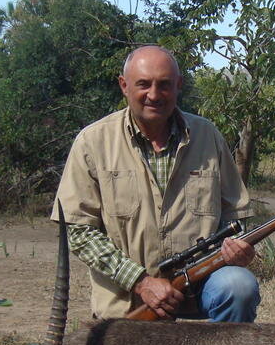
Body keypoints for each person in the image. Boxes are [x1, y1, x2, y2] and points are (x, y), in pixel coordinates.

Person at [52, 45, 260, 321]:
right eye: (143, 84)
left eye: (164, 85)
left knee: (239, 285)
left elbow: (234, 214)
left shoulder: (207, 136)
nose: (154, 95)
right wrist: (141, 281)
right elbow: (79, 231)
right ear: (124, 86)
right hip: (127, 298)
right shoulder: (92, 142)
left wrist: (236, 247)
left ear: (178, 86)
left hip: (199, 285)